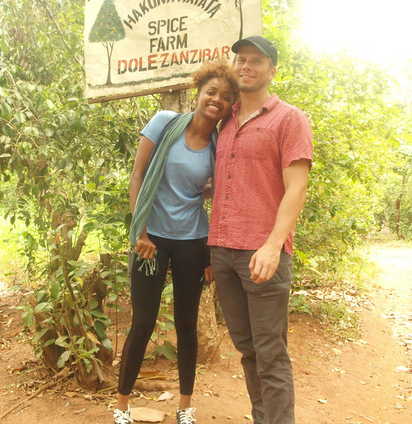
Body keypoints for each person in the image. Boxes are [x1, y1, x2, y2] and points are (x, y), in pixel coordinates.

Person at [113, 58, 239, 424]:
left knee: (186, 325)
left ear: (230, 106)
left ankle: (185, 407)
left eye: (226, 97)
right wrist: (140, 230)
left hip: (193, 241)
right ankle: (122, 406)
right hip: (150, 241)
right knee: (143, 322)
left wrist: (212, 253)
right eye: (211, 92)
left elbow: (218, 198)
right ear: (198, 93)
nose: (217, 99)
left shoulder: (220, 145)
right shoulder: (164, 123)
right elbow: (137, 176)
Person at [208, 36, 313, 424]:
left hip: (263, 255)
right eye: (241, 59)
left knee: (270, 353)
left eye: (256, 60)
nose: (246, 66)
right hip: (222, 252)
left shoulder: (289, 118)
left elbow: (296, 188)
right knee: (248, 350)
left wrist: (272, 246)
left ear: (272, 70)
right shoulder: (225, 121)